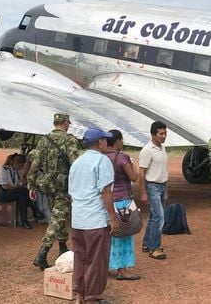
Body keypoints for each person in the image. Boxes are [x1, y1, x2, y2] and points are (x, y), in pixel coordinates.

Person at [68, 127, 119, 304]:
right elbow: (106, 192)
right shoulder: (102, 161)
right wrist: (113, 218)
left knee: (80, 257)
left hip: (78, 219)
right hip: (95, 220)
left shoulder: (77, 162)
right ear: (100, 142)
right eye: (105, 140)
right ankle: (93, 298)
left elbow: (72, 193)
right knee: (97, 261)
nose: (107, 143)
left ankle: (79, 295)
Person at [28, 113, 82, 270]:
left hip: (47, 185)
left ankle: (63, 247)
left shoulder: (44, 140)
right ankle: (42, 253)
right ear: (65, 123)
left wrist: (31, 184)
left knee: (57, 215)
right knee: (57, 219)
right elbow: (75, 163)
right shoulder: (69, 139)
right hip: (63, 186)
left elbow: (35, 163)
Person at [106, 129, 141, 281]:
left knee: (109, 235)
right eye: (122, 139)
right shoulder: (122, 157)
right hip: (123, 201)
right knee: (125, 234)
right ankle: (122, 269)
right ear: (118, 141)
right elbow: (134, 177)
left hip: (107, 202)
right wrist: (133, 166)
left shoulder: (102, 157)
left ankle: (108, 265)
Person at [139, 121, 168, 260]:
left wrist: (165, 187)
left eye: (165, 133)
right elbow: (141, 172)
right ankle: (154, 248)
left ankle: (147, 243)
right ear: (153, 135)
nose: (164, 136)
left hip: (162, 185)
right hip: (152, 187)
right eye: (161, 134)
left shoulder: (162, 148)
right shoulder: (147, 150)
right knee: (159, 216)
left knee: (153, 216)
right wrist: (143, 192)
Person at [0, 153, 41, 229]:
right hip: (3, 193)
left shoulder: (16, 171)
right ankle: (34, 209)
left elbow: (20, 183)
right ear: (16, 163)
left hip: (14, 193)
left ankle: (24, 221)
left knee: (22, 197)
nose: (21, 168)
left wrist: (22, 181)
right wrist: (17, 188)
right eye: (21, 165)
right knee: (23, 191)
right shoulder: (4, 169)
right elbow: (5, 186)